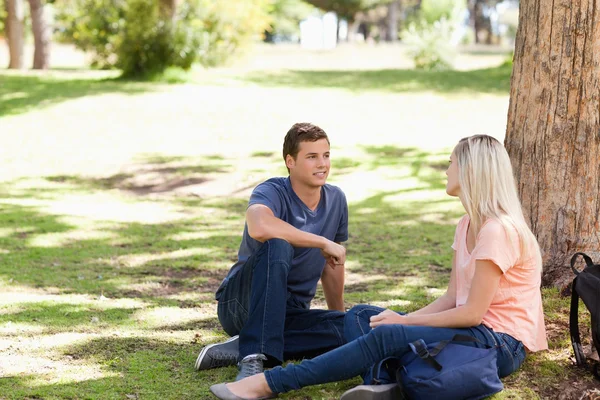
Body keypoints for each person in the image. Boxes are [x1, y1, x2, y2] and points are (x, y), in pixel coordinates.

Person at [209, 134, 549, 400]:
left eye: (452, 163)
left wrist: (405, 321)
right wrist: (401, 320)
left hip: (500, 343)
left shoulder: (497, 230)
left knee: (387, 331)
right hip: (472, 333)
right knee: (361, 317)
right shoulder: (467, 224)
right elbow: (452, 298)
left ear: (472, 171)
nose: (446, 170)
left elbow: (473, 314)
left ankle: (269, 383)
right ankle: (381, 380)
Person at [196, 122, 350, 381]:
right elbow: (259, 226)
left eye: (326, 155)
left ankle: (243, 345)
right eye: (311, 157)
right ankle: (252, 357)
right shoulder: (272, 190)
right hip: (241, 304)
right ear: (290, 161)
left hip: (292, 311)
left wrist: (339, 317)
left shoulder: (336, 199)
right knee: (278, 244)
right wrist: (321, 241)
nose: (322, 164)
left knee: (352, 327)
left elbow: (331, 264)